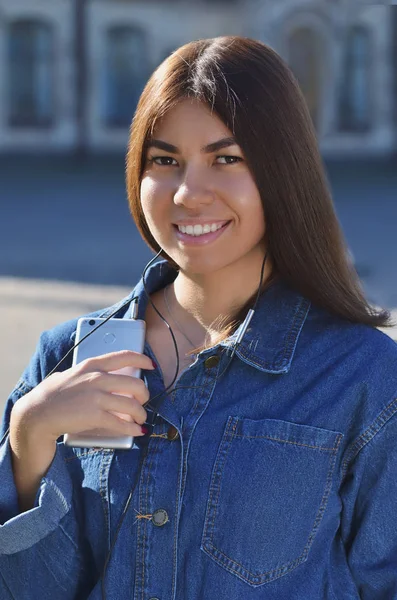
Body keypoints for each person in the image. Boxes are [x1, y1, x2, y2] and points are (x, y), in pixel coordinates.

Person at [1, 35, 396, 600]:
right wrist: (27, 442)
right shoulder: (64, 359)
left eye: (226, 159)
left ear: (283, 172)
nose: (189, 193)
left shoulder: (366, 380)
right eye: (165, 160)